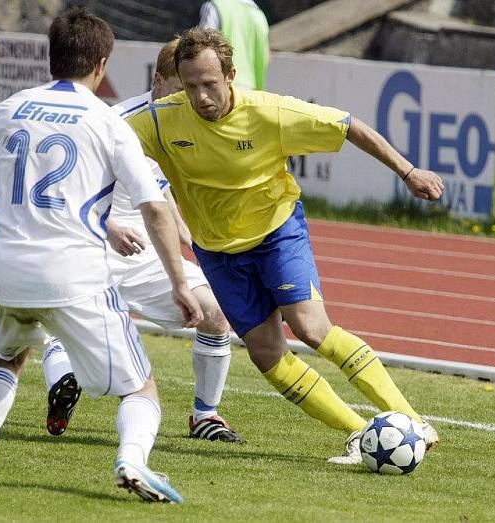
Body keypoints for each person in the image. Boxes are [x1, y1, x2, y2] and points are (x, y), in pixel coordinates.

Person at [126, 28, 442, 464]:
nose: (200, 97)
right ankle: (362, 433)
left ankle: (412, 420)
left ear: (231, 75)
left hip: (276, 233)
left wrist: (409, 173)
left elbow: (349, 126)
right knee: (265, 352)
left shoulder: (269, 112)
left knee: (311, 328)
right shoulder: (162, 119)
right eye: (191, 85)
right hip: (217, 251)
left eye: (210, 84)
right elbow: (104, 141)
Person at [0, 9, 203, 503]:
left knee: (9, 356)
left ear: (51, 58)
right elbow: (156, 210)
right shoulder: (109, 122)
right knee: (140, 387)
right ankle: (132, 461)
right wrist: (180, 282)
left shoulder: (11, 107)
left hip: (5, 267)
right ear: (101, 64)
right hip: (74, 272)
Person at [41, 38, 242, 444]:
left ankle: (205, 416)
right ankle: (62, 385)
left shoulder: (182, 124)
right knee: (55, 323)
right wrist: (110, 227)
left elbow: (163, 196)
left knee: (215, 313)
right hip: (96, 246)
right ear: (159, 81)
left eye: (200, 87)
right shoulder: (118, 122)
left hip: (147, 255)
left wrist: (197, 245)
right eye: (184, 88)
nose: (195, 98)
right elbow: (67, 187)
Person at [198, 0, 268, 90]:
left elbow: (201, 47)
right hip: (251, 90)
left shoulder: (215, 6)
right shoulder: (258, 13)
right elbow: (265, 56)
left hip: (222, 86)